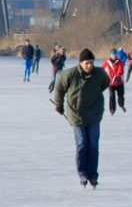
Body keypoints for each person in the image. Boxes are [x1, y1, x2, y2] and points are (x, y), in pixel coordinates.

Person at [53, 48, 111, 189]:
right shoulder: (70, 74)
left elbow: (105, 84)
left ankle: (93, 175)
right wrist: (59, 106)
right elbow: (59, 89)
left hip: (94, 115)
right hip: (76, 116)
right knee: (82, 145)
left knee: (93, 146)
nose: (89, 66)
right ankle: (83, 174)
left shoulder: (100, 74)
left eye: (91, 63)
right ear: (80, 63)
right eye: (86, 63)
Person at [104, 49, 127, 114]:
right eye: (112, 54)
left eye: (115, 54)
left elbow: (121, 70)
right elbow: (102, 70)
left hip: (119, 82)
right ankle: (112, 110)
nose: (114, 55)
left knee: (121, 95)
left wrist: (117, 76)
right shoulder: (106, 62)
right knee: (112, 96)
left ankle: (121, 105)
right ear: (110, 55)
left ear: (117, 54)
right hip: (111, 83)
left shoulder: (120, 62)